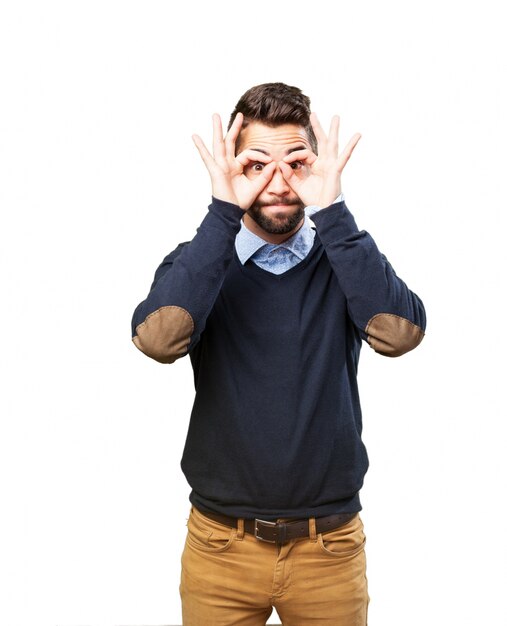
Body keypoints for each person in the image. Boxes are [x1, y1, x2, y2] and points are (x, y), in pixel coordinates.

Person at [131, 82, 426, 626]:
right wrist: (222, 212)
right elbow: (158, 340)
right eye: (256, 164)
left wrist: (333, 209)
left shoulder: (344, 260)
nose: (277, 181)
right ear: (233, 172)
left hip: (329, 551)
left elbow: (400, 334)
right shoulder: (198, 263)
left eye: (296, 162)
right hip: (219, 547)